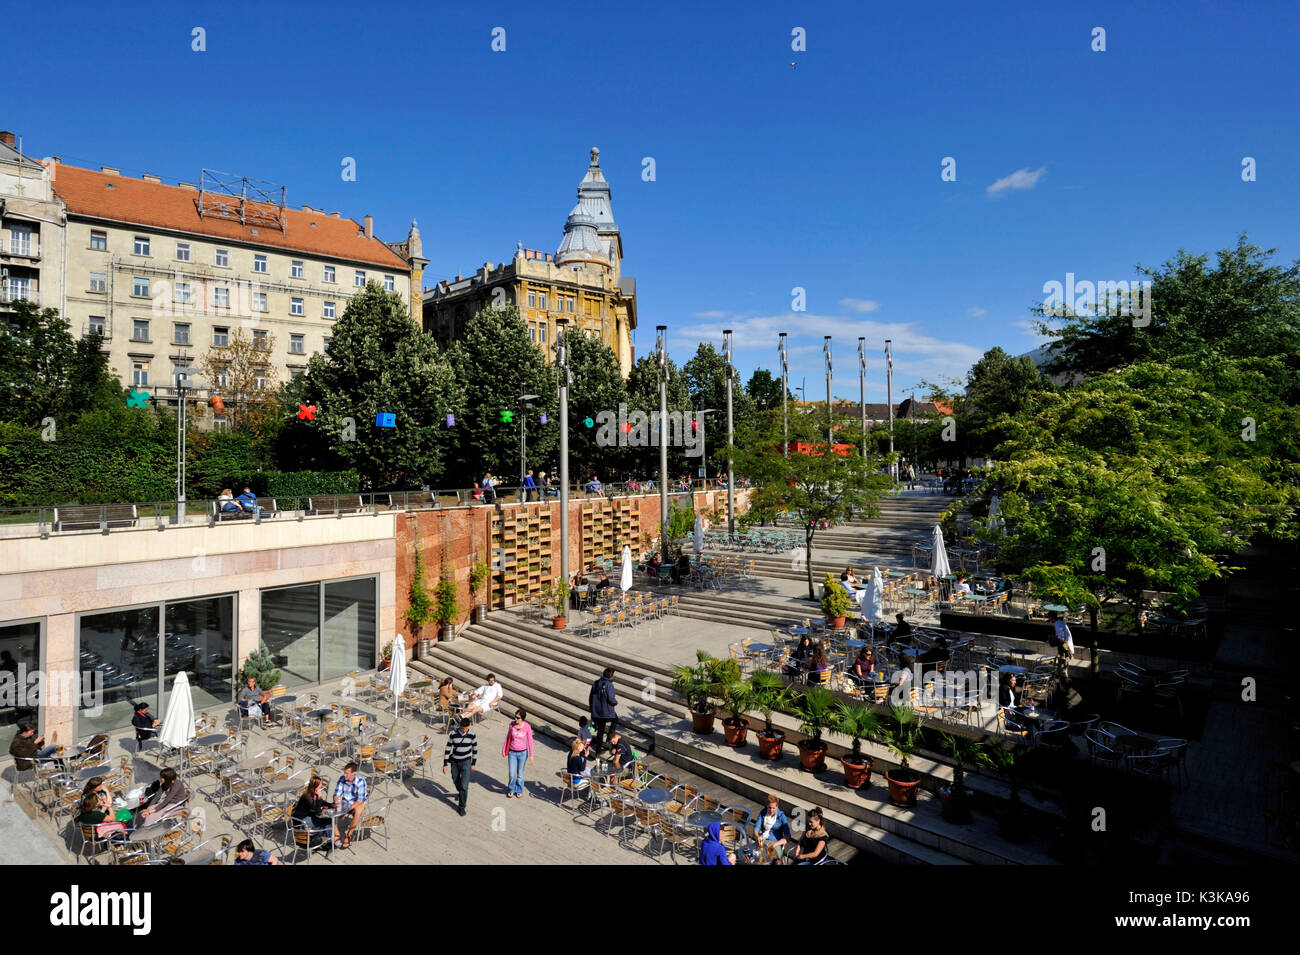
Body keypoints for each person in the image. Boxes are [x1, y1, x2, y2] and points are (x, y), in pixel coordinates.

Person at [442, 717, 477, 816]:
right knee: (455, 779)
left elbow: (475, 749)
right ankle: (461, 793)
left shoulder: (472, 735)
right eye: (462, 728)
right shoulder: (453, 734)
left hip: (466, 762)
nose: (464, 730)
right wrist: (445, 763)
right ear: (460, 726)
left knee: (464, 786)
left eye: (466, 728)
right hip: (455, 762)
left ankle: (462, 807)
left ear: (468, 727)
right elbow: (448, 748)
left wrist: (473, 763)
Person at [292, 775, 339, 843]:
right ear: (316, 785)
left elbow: (321, 803)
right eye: (321, 784)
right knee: (327, 820)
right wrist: (319, 796)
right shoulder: (308, 797)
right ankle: (328, 841)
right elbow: (318, 811)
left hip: (305, 817)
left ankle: (325, 838)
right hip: (302, 821)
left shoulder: (311, 792)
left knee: (327, 819)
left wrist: (331, 805)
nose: (322, 785)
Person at [333, 763, 368, 848]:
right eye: (344, 772)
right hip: (346, 801)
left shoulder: (360, 781)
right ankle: (337, 835)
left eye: (346, 773)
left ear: (353, 773)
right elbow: (336, 794)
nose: (344, 775)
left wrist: (346, 810)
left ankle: (348, 835)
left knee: (358, 812)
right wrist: (336, 801)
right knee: (331, 812)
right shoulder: (342, 779)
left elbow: (360, 800)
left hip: (357, 802)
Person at [502, 708, 535, 798]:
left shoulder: (527, 727)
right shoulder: (511, 725)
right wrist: (504, 749)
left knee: (520, 774)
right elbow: (508, 737)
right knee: (512, 773)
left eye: (517, 718)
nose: (515, 719)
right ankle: (511, 789)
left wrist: (532, 755)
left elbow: (530, 741)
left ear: (522, 719)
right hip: (512, 752)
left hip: (523, 754)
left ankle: (519, 789)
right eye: (515, 717)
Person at [751, 794, 791, 860]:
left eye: (773, 808)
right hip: (763, 840)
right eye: (769, 808)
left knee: (769, 858)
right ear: (767, 806)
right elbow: (756, 829)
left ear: (777, 806)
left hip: (775, 843)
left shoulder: (781, 816)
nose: (771, 810)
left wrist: (774, 845)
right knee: (753, 856)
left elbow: (787, 837)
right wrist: (757, 837)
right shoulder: (763, 812)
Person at [589, 667, 618, 753]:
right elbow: (611, 699)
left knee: (600, 731)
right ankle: (609, 737)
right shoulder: (609, 685)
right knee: (616, 720)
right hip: (606, 712)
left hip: (597, 712)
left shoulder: (596, 683)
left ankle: (598, 751)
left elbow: (591, 697)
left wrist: (592, 708)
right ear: (611, 675)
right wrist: (615, 702)